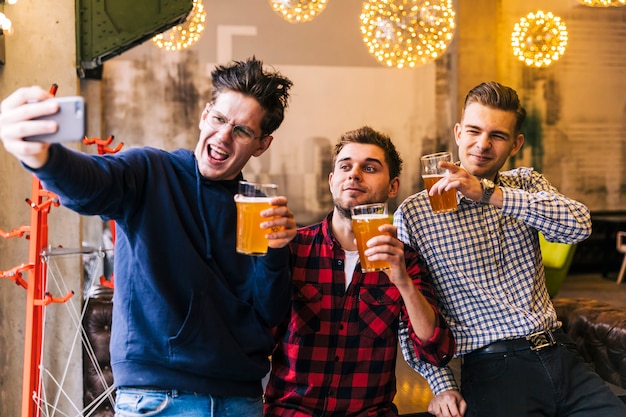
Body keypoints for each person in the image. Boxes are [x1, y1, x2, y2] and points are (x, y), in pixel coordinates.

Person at [0, 57, 298, 417]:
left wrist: (276, 253)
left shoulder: (258, 209)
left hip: (241, 402)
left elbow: (269, 312)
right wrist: (43, 157)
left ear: (262, 144)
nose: (223, 136)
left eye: (241, 131)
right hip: (158, 399)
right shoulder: (150, 171)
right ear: (205, 115)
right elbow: (91, 185)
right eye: (220, 119)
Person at [394, 81, 626, 417]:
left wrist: (489, 194)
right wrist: (441, 382)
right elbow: (409, 311)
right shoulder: (414, 213)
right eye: (474, 131)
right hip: (492, 366)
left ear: (515, 144)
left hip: (562, 354)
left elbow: (579, 225)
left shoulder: (525, 184)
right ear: (458, 133)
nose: (482, 144)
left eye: (497, 136)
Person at [264, 126, 456, 417]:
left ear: (393, 187)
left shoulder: (405, 259)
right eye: (345, 166)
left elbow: (436, 349)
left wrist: (403, 283)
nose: (354, 174)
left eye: (369, 167)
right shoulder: (293, 248)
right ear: (332, 181)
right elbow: (257, 333)